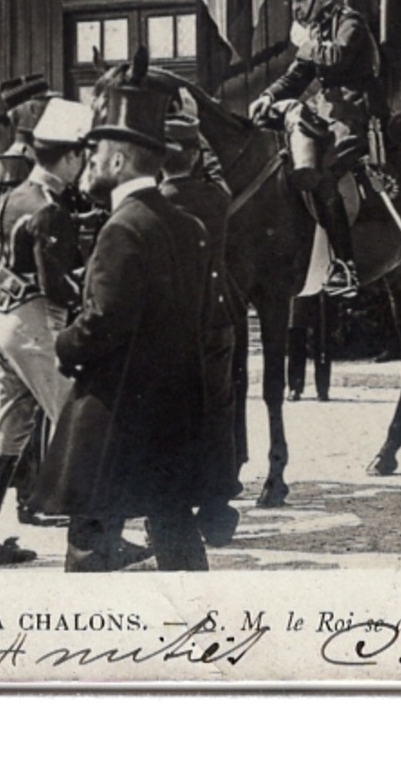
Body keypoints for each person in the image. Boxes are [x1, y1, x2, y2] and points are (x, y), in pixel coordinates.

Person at [42, 81, 224, 572]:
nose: (91, 159)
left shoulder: (121, 228)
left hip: (113, 419)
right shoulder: (191, 228)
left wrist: (63, 343)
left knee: (90, 547)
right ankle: (202, 633)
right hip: (173, 419)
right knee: (176, 535)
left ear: (120, 160)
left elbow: (102, 326)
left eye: (97, 149)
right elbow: (207, 322)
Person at [0, 99, 95, 568]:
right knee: (78, 423)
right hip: (34, 323)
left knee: (8, 434)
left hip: (0, 321)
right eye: (83, 157)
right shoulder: (49, 209)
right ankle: (88, 542)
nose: (84, 166)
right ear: (71, 157)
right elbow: (56, 286)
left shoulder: (11, 196)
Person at [247, 0, 385, 297]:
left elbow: (337, 57)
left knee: (325, 172)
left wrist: (306, 44)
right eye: (292, 1)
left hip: (353, 114)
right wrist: (267, 96)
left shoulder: (350, 21)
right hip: (325, 112)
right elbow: (297, 76)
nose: (295, 7)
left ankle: (346, 265)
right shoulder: (315, 32)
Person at [160, 113, 246, 547]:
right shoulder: (215, 197)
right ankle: (217, 511)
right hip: (215, 319)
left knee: (172, 415)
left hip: (172, 325)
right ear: (196, 157)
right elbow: (220, 182)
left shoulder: (156, 202)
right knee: (218, 413)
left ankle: (174, 505)